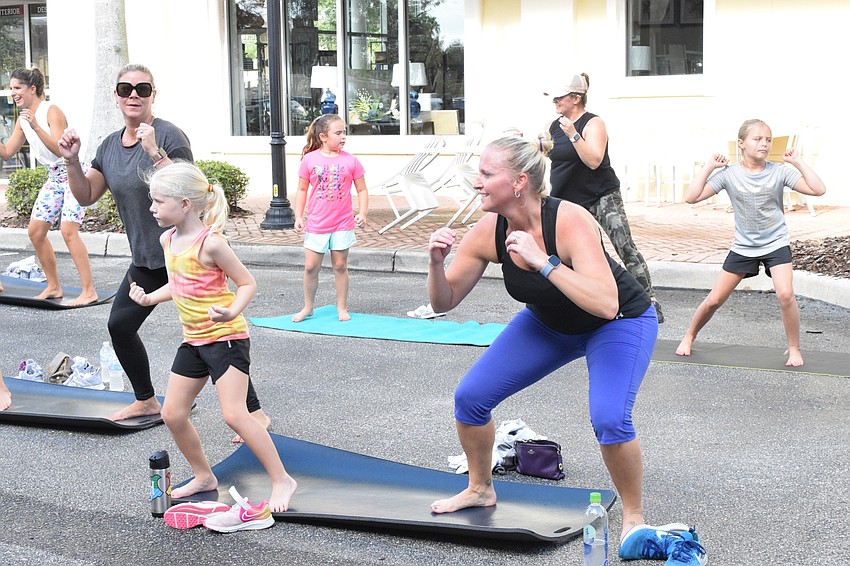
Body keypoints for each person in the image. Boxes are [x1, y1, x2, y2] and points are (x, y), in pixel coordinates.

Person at [426, 136, 706, 564]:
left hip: (618, 323)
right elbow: (443, 303)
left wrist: (544, 261)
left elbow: (605, 303)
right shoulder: (489, 230)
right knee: (471, 398)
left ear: (519, 181)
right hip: (549, 323)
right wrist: (435, 263)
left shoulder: (570, 220)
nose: (476, 183)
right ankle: (480, 488)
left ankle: (634, 518)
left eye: (486, 175)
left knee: (610, 417)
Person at [57, 64, 270, 439]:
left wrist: (155, 153)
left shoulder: (168, 135)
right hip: (149, 256)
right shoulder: (109, 146)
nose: (133, 95)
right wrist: (72, 160)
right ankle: (146, 400)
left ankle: (255, 412)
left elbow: (192, 189)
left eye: (142, 88)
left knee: (213, 334)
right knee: (120, 326)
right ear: (117, 96)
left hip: (187, 254)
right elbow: (86, 195)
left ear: (154, 94)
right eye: (126, 88)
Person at [128, 162, 296, 519]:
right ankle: (204, 476)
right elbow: (180, 283)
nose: (152, 208)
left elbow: (247, 282)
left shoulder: (212, 243)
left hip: (226, 339)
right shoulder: (168, 239)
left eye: (158, 202)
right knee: (172, 413)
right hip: (193, 341)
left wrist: (232, 309)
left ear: (185, 204)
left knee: (235, 414)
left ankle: (282, 479)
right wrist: (148, 298)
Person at [676, 119, 826, 367]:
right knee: (715, 299)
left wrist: (797, 161)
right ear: (742, 143)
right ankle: (689, 335)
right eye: (757, 139)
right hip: (743, 247)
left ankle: (793, 348)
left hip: (775, 242)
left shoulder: (779, 171)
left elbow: (818, 189)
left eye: (768, 139)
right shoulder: (729, 174)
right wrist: (709, 167)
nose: (764, 144)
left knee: (786, 294)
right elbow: (691, 197)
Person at [543, 73, 664, 323]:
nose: (554, 100)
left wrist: (574, 135)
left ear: (576, 98)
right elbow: (545, 151)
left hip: (601, 196)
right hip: (568, 200)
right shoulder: (554, 125)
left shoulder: (592, 123)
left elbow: (594, 160)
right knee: (567, 253)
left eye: (560, 96)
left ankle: (650, 301)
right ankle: (575, 304)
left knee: (624, 246)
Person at [0, 67, 97, 305]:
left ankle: (89, 291)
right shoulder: (23, 119)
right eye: (11, 88)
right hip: (54, 178)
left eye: (17, 88)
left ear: (32, 89)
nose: (13, 92)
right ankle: (54, 287)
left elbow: (59, 149)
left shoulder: (50, 111)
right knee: (35, 232)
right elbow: (7, 153)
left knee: (68, 231)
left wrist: (35, 126)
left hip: (74, 173)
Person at [292, 114, 368, 322]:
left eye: (344, 132)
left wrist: (362, 213)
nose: (343, 137)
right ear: (324, 137)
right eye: (339, 133)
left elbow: (362, 190)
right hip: (317, 222)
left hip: (342, 222)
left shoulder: (351, 160)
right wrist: (299, 216)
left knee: (340, 265)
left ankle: (341, 308)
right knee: (310, 267)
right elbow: (301, 189)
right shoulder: (310, 160)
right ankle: (308, 307)